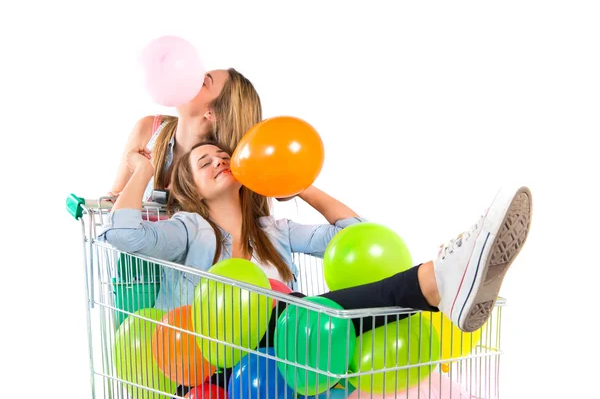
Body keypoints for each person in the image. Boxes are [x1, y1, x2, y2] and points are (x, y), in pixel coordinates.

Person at [99, 141, 532, 393]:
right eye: (203, 161)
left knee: (326, 320)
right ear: (189, 185)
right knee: (302, 312)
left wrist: (302, 186)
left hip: (290, 347)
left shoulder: (275, 229)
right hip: (222, 362)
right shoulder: (188, 228)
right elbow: (124, 234)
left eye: (223, 155)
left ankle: (447, 281)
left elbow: (355, 234)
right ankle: (441, 280)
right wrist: (142, 169)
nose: (218, 160)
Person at [107, 67, 273, 213]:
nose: (191, 80)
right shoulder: (148, 129)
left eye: (203, 83)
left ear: (214, 114)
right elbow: (112, 201)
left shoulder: (221, 172)